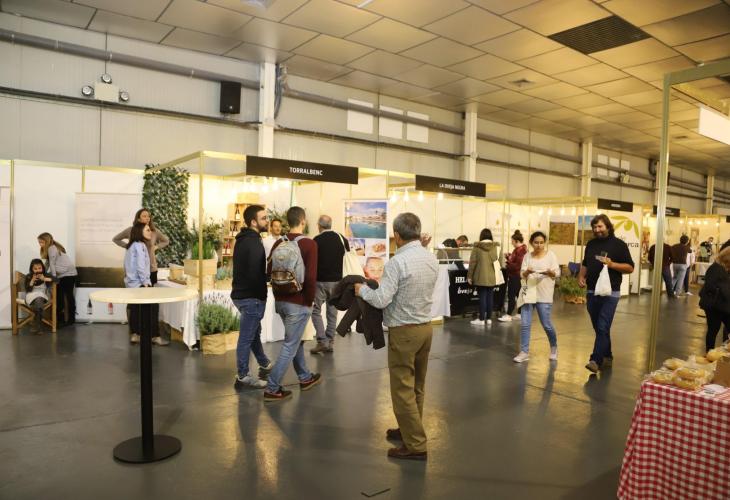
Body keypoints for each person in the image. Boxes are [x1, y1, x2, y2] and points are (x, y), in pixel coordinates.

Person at [355, 213, 438, 461]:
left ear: (397, 236)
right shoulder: (430, 257)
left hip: (404, 332)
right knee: (417, 386)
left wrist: (362, 291)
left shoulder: (396, 263)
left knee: (402, 389)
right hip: (425, 328)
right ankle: (408, 430)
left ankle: (416, 445)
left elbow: (381, 299)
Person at [264, 207, 321, 402]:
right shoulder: (310, 244)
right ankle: (272, 387)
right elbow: (312, 277)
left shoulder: (279, 242)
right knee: (290, 344)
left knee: (293, 340)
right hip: (299, 302)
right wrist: (309, 301)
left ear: (288, 222)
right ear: (303, 221)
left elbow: (269, 270)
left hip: (280, 300)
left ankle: (305, 377)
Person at [578, 214, 634, 373]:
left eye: (600, 226)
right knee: (600, 327)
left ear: (608, 226)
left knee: (602, 325)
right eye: (595, 227)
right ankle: (607, 354)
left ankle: (595, 360)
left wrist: (612, 264)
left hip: (611, 293)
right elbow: (585, 263)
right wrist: (581, 276)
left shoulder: (619, 245)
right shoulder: (591, 244)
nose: (597, 230)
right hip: (591, 291)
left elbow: (630, 268)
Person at [231, 204, 273, 390]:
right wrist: (263, 291)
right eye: (264, 218)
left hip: (241, 295)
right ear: (254, 222)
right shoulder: (254, 242)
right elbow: (255, 273)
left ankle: (263, 362)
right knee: (247, 337)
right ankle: (243, 376)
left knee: (253, 332)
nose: (267, 221)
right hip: (251, 297)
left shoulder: (242, 239)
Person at [113, 208, 169, 345]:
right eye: (144, 216)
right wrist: (128, 246)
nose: (147, 218)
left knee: (150, 305)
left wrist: (155, 248)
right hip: (141, 277)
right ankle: (136, 333)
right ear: (138, 218)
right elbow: (138, 264)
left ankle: (153, 335)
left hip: (149, 273)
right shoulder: (135, 239)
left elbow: (165, 241)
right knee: (138, 305)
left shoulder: (152, 233)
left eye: (149, 216)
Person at [513, 231, 559, 363]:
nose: (539, 245)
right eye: (536, 242)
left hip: (544, 294)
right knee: (525, 324)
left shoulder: (551, 255)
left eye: (541, 242)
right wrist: (527, 272)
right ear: (532, 243)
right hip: (529, 293)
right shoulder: (527, 256)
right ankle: (524, 351)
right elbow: (522, 274)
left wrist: (551, 273)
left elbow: (557, 273)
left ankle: (554, 347)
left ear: (545, 243)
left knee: (546, 324)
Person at [311, 215, 350, 354]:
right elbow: (348, 254)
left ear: (319, 225)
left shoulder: (316, 240)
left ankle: (322, 341)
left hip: (320, 281)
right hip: (337, 282)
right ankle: (330, 342)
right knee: (332, 313)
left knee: (315, 310)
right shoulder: (341, 238)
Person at [37, 233, 77, 327]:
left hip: (68, 275)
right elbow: (47, 263)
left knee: (66, 297)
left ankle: (66, 320)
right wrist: (42, 272)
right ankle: (62, 319)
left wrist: (53, 278)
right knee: (62, 297)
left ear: (47, 241)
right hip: (65, 274)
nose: (40, 244)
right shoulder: (51, 248)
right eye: (39, 242)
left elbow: (52, 264)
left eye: (42, 242)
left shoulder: (52, 248)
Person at [124, 222, 153, 344]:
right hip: (139, 283)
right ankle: (138, 334)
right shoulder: (139, 246)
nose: (150, 231)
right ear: (139, 231)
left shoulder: (132, 245)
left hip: (132, 282)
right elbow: (141, 266)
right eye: (147, 230)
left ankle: (135, 334)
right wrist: (146, 282)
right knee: (140, 310)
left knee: (134, 308)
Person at [699, 248, 730, 353]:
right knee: (713, 331)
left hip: (722, 305)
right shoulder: (716, 269)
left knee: (715, 330)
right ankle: (709, 354)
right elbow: (710, 286)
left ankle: (721, 354)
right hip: (715, 306)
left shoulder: (722, 268)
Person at [467, 228, 500, 326]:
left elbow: (472, 263)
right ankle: (489, 319)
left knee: (482, 298)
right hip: (492, 276)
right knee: (490, 298)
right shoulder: (496, 247)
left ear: (481, 236)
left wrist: (469, 276)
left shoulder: (477, 247)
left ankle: (481, 319)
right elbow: (500, 262)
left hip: (480, 276)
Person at [498, 230, 527, 322]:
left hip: (516, 276)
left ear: (516, 241)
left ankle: (509, 314)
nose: (511, 243)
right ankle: (519, 313)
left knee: (512, 295)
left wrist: (508, 263)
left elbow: (518, 265)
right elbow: (515, 260)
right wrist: (509, 256)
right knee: (518, 295)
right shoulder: (518, 249)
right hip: (516, 276)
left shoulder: (521, 250)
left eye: (512, 241)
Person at [24, 259, 53, 334]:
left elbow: (57, 280)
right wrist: (32, 281)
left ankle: (35, 323)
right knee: (38, 302)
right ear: (32, 269)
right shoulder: (28, 276)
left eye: (39, 268)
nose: (38, 270)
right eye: (35, 269)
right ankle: (39, 326)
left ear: (43, 268)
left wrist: (44, 279)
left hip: (42, 295)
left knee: (39, 299)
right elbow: (27, 290)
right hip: (31, 295)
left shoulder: (46, 275)